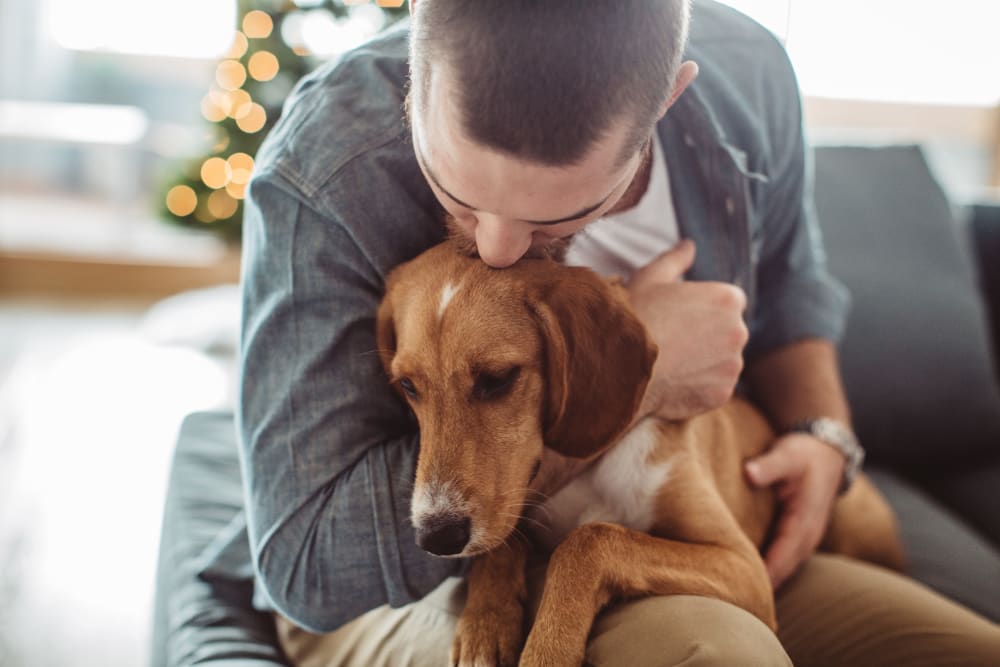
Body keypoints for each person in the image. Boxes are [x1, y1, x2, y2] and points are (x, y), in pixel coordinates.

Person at [235, 1, 1000, 664]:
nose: (498, 249)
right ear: (417, 73)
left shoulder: (753, 73)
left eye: (554, 215)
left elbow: (794, 279)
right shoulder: (323, 166)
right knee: (712, 650)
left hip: (698, 547)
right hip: (388, 588)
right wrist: (649, 375)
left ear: (665, 101)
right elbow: (305, 567)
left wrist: (822, 433)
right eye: (457, 189)